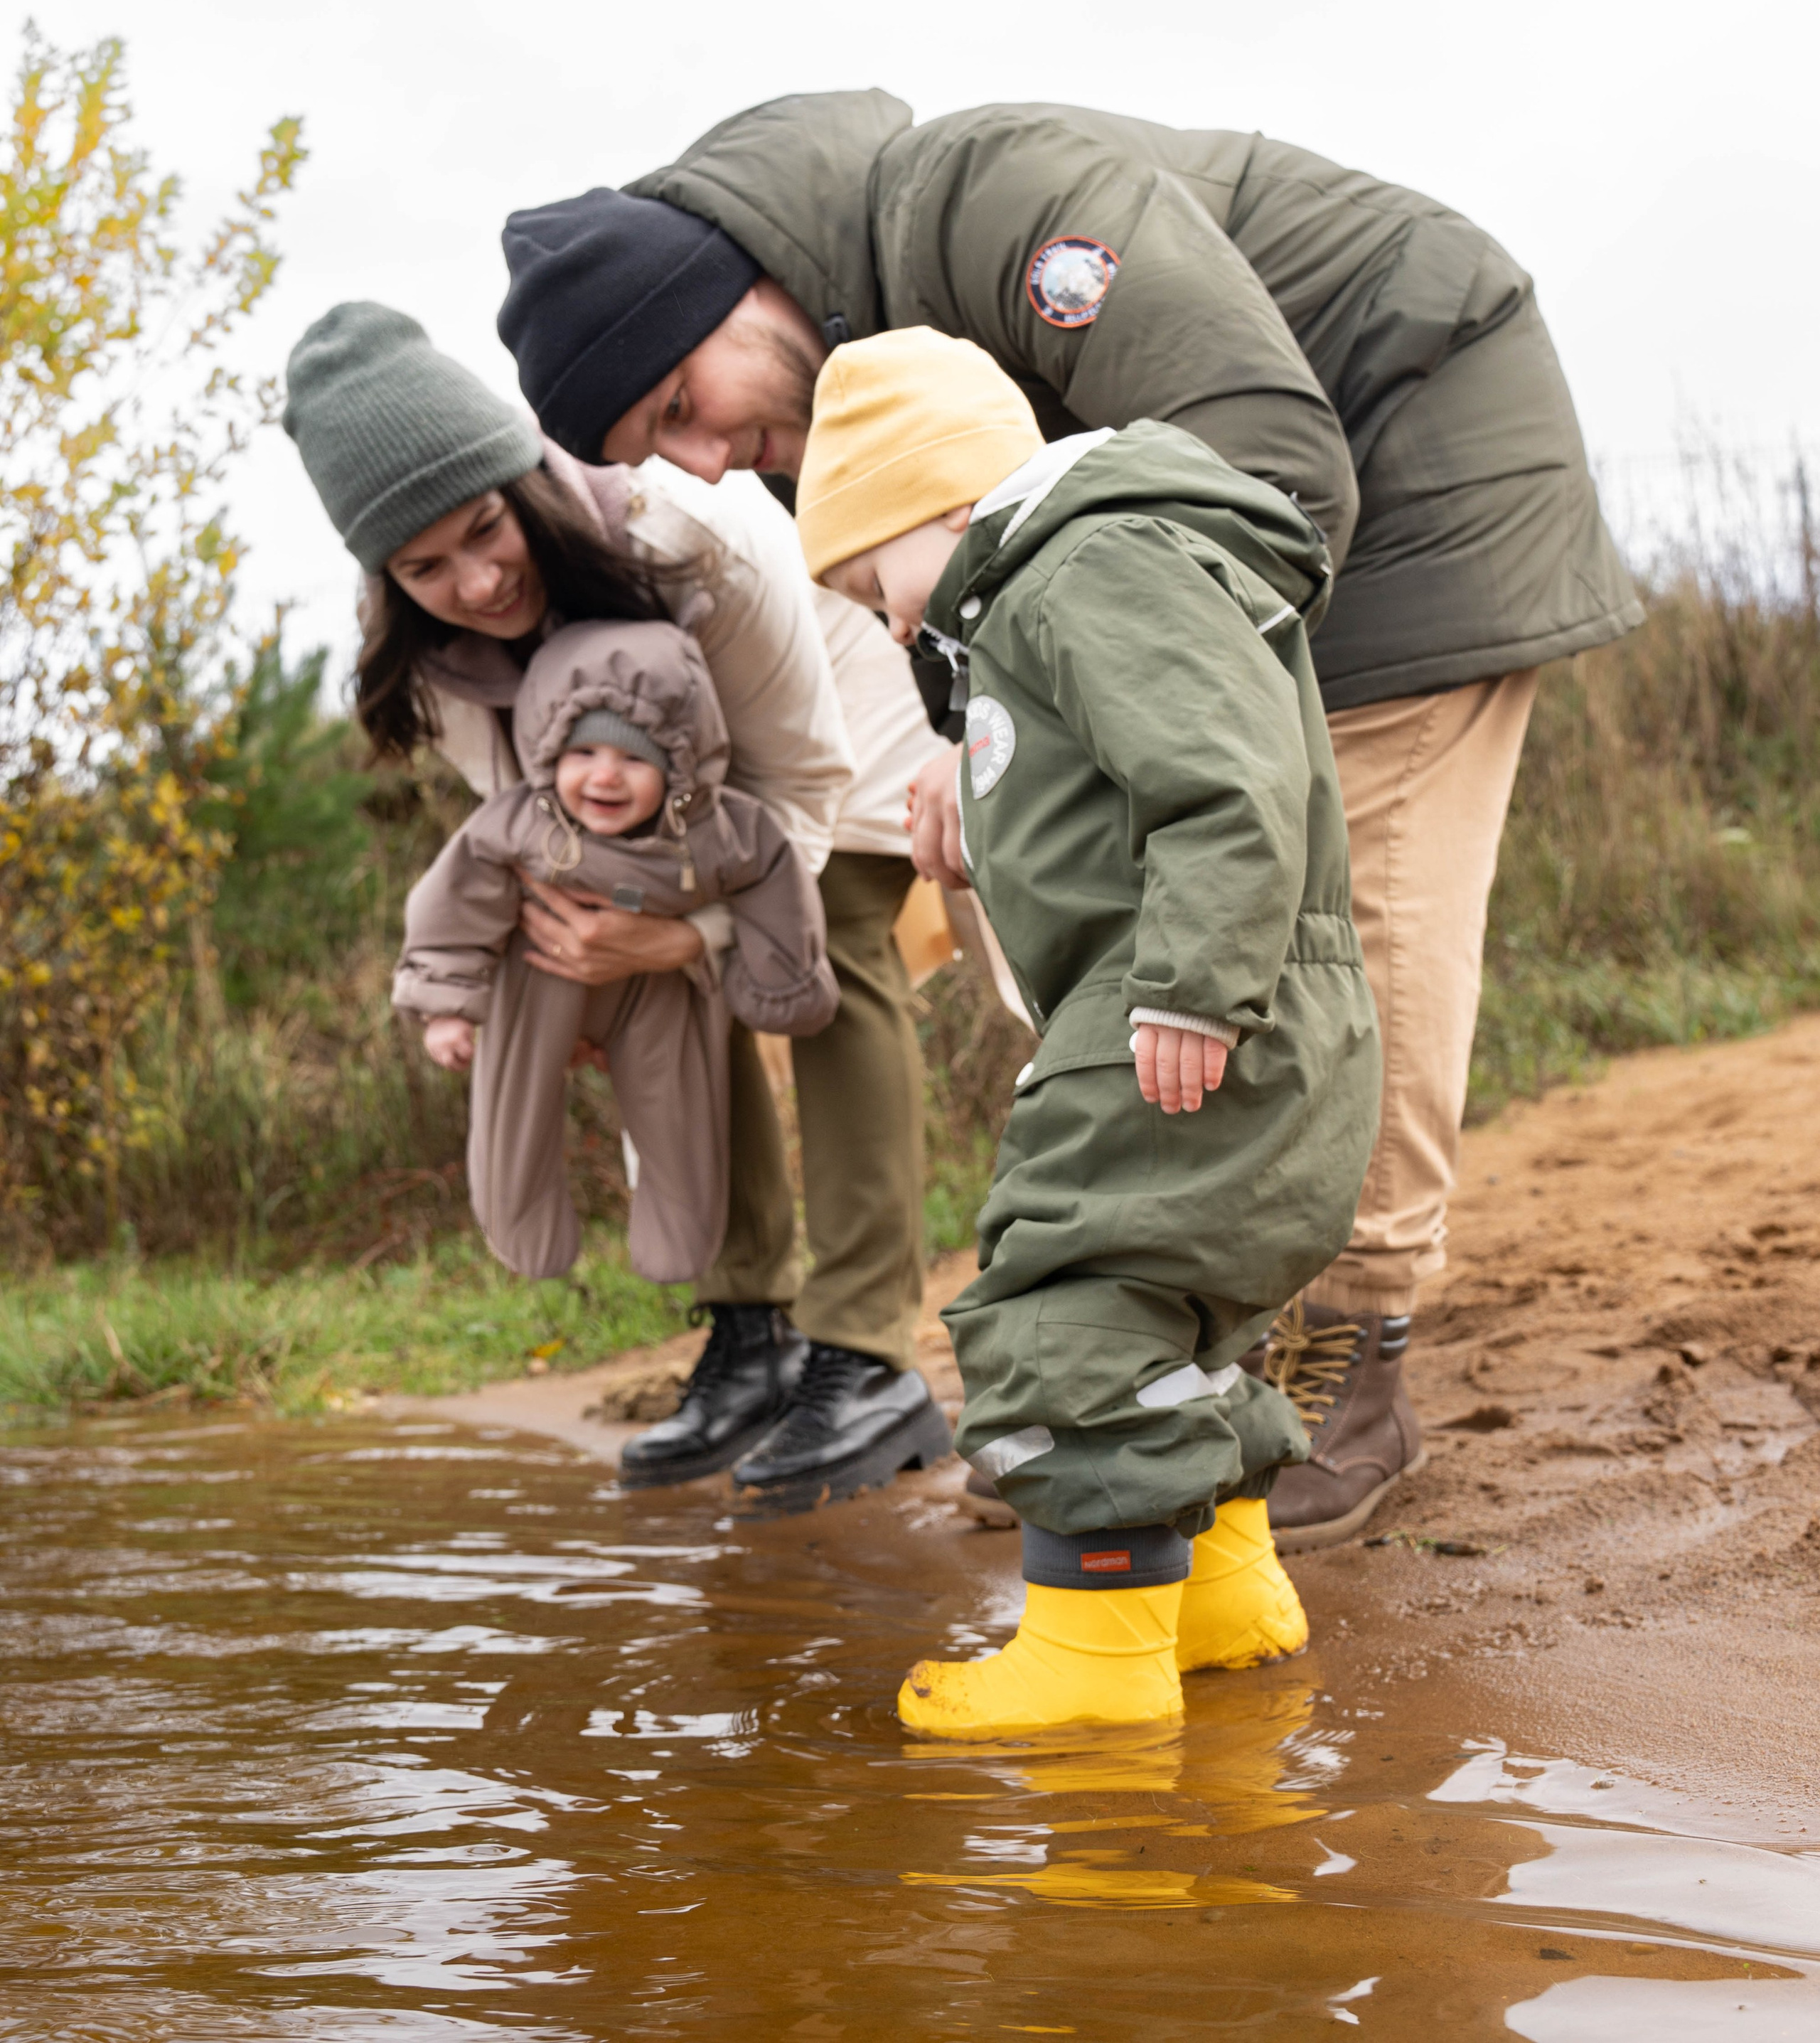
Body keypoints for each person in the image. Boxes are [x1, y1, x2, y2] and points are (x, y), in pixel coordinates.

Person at [494, 92, 1642, 1547]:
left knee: (1333, 884)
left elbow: (1268, 454)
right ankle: (1149, 1366)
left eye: (679, 411)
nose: (708, 462)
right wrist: (981, 757)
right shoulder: (827, 399)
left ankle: (1351, 1340)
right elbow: (962, 605)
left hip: (1409, 440)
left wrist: (1050, 738)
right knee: (1109, 877)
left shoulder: (991, 203)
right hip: (1197, 538)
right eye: (663, 455)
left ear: (730, 292)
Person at [798, 327, 1379, 1735]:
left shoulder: (1079, 566)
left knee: (1062, 1308)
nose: (887, 630)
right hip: (1264, 1004)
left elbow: (1222, 780)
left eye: (875, 587)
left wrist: (1185, 982)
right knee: (1182, 1316)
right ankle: (1224, 1596)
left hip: (1187, 994)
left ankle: (1093, 1661)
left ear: (936, 501)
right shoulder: (1092, 574)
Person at [282, 300, 892, 1493]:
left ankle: (868, 1350)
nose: (475, 580)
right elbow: (542, 849)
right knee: (645, 984)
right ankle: (749, 1331)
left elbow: (803, 793)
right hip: (645, 795)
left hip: (824, 721)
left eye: (483, 528)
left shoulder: (698, 533)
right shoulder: (448, 667)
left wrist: (703, 929)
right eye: (424, 567)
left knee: (833, 945)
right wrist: (593, 975)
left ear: (524, 483)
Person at [393, 618, 841, 1314]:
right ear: (548, 753)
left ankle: (679, 1241)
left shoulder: (719, 830)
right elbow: (454, 903)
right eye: (584, 753)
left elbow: (777, 883)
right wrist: (445, 1005)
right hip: (539, 977)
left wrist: (781, 985)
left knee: (681, 1112)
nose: (604, 775)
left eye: (635, 759)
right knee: (515, 1106)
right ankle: (523, 1228)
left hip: (659, 989)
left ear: (680, 767)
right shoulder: (519, 824)